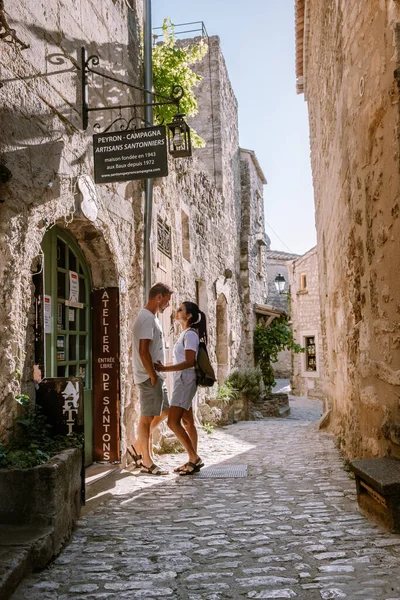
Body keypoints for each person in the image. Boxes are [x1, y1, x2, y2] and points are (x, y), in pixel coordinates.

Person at [156, 301, 206, 476]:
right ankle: (192, 459)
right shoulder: (185, 333)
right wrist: (165, 366)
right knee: (188, 422)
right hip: (183, 379)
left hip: (184, 381)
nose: (177, 311)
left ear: (189, 315)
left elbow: (189, 362)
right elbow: (180, 361)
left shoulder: (190, 335)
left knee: (172, 422)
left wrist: (164, 369)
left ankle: (194, 458)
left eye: (180, 309)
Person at [132, 282, 173, 475]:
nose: (167, 304)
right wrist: (152, 376)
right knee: (146, 419)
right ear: (159, 297)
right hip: (150, 377)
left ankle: (138, 446)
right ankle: (146, 462)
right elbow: (143, 351)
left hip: (156, 376)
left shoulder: (152, 318)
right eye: (167, 300)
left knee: (164, 411)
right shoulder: (147, 318)